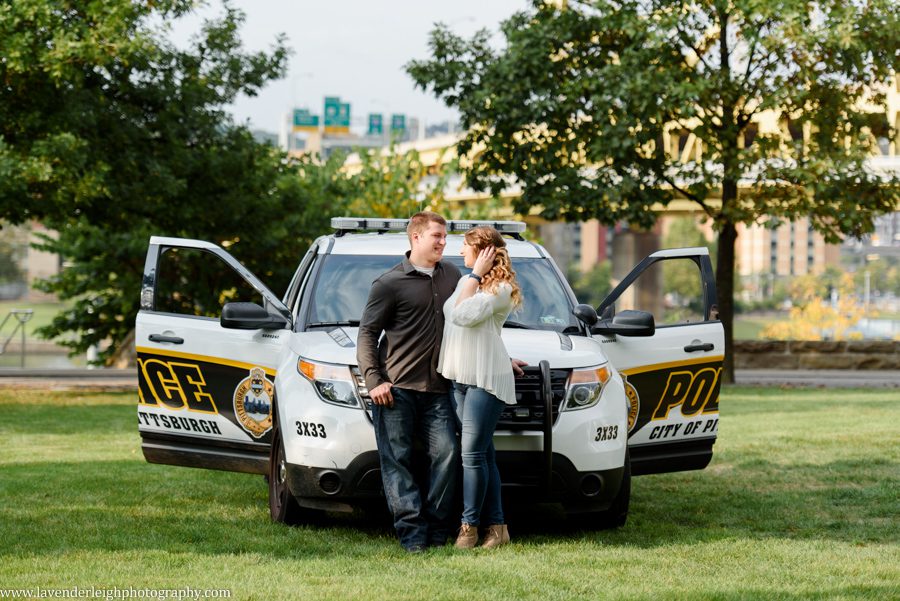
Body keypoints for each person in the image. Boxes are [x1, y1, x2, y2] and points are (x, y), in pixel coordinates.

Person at [357, 211, 461, 553]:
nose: (443, 242)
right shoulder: (388, 283)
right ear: (416, 238)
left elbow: (468, 327)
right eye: (437, 236)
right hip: (396, 391)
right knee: (396, 462)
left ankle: (437, 531)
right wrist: (374, 380)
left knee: (446, 456)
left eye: (444, 236)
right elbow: (368, 333)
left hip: (440, 390)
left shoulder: (453, 277)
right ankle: (412, 536)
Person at [437, 226, 523, 550]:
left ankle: (468, 528)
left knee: (471, 456)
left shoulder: (499, 288)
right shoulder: (467, 281)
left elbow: (462, 315)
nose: (460, 252)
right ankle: (498, 528)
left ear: (485, 252)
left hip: (485, 379)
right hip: (459, 377)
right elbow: (458, 324)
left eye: (466, 246)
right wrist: (472, 275)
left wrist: (475, 274)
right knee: (484, 454)